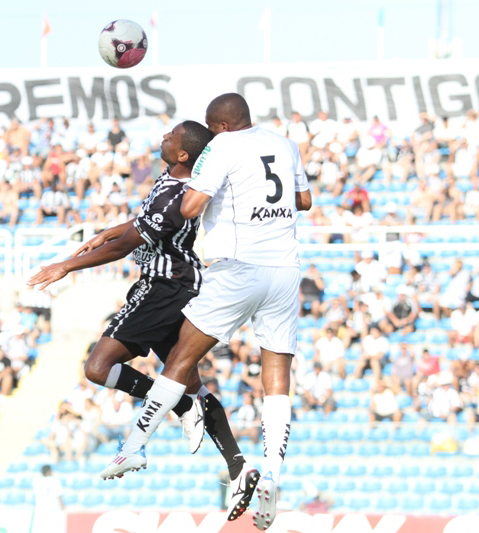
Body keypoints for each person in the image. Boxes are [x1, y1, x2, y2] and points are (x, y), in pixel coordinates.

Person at [96, 93, 312, 530]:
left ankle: (136, 444)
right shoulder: (285, 144)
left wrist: (164, 216)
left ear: (221, 126)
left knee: (180, 360)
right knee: (277, 376)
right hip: (286, 269)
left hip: (236, 268)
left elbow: (191, 206)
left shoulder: (222, 146)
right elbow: (304, 201)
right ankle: (271, 470)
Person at [26, 121, 253, 517]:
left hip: (163, 288)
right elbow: (136, 227)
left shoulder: (177, 194)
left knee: (98, 367)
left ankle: (181, 409)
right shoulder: (172, 180)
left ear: (184, 154)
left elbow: (128, 246)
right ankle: (238, 467)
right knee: (190, 383)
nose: (163, 138)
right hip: (179, 287)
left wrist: (68, 265)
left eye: (171, 138)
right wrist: (107, 231)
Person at [32, 465, 65, 533]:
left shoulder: (36, 481)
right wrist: (62, 507)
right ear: (49, 471)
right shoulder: (54, 480)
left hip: (40, 508)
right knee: (54, 528)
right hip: (53, 508)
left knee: (42, 528)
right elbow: (59, 495)